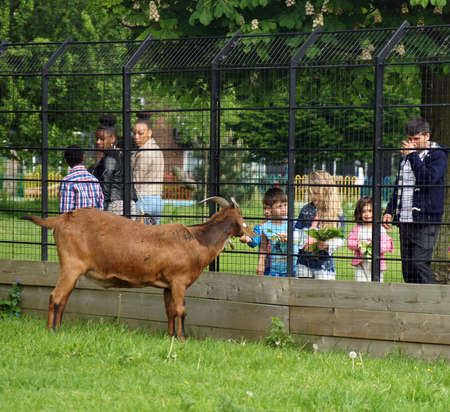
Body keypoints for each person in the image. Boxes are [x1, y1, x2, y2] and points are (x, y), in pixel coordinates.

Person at [382, 117, 448, 284]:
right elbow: (400, 185)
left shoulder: (438, 155)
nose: (412, 143)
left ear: (427, 136)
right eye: (410, 139)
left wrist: (412, 156)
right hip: (405, 219)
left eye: (416, 139)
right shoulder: (405, 157)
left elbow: (427, 180)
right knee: (408, 267)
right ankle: (412, 305)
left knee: (420, 263)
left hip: (426, 219)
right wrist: (390, 210)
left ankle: (434, 302)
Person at [295, 170, 345, 280]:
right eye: (310, 193)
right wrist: (291, 237)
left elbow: (341, 239)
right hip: (303, 262)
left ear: (327, 192)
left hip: (324, 266)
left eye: (316, 193)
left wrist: (327, 244)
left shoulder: (337, 213)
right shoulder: (306, 209)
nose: (313, 197)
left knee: (323, 294)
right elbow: (297, 231)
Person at [90, 115, 138, 219]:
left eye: (102, 139)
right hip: (130, 204)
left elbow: (107, 185)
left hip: (115, 206)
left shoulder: (110, 158)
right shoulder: (121, 155)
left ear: (112, 138)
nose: (98, 142)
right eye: (97, 138)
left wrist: (102, 208)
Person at [347, 196, 393, 282]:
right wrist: (359, 245)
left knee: (377, 287)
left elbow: (387, 245)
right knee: (361, 286)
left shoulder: (380, 229)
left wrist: (375, 246)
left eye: (370, 211)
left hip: (377, 266)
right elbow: (349, 243)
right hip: (360, 264)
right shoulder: (358, 228)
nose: (367, 214)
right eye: (363, 211)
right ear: (359, 214)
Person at [131, 112, 165, 224]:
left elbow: (136, 180)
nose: (136, 137)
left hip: (144, 200)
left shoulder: (144, 152)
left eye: (140, 133)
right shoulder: (156, 148)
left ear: (150, 132)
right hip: (157, 200)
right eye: (134, 133)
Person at [258, 187, 298, 277]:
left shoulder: (293, 223)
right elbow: (263, 248)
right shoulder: (265, 227)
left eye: (285, 205)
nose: (284, 209)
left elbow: (301, 239)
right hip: (275, 271)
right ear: (269, 208)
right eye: (279, 206)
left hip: (294, 270)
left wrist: (289, 238)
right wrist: (260, 264)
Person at [58, 144, 104, 214]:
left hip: (76, 223)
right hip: (94, 223)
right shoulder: (94, 180)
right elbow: (100, 207)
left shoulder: (67, 181)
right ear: (83, 157)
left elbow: (65, 212)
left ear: (66, 161)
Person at [239, 190, 273, 275]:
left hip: (282, 267)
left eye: (269, 208)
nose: (266, 211)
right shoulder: (260, 226)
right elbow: (255, 238)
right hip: (266, 267)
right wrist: (249, 239)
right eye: (265, 208)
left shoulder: (285, 225)